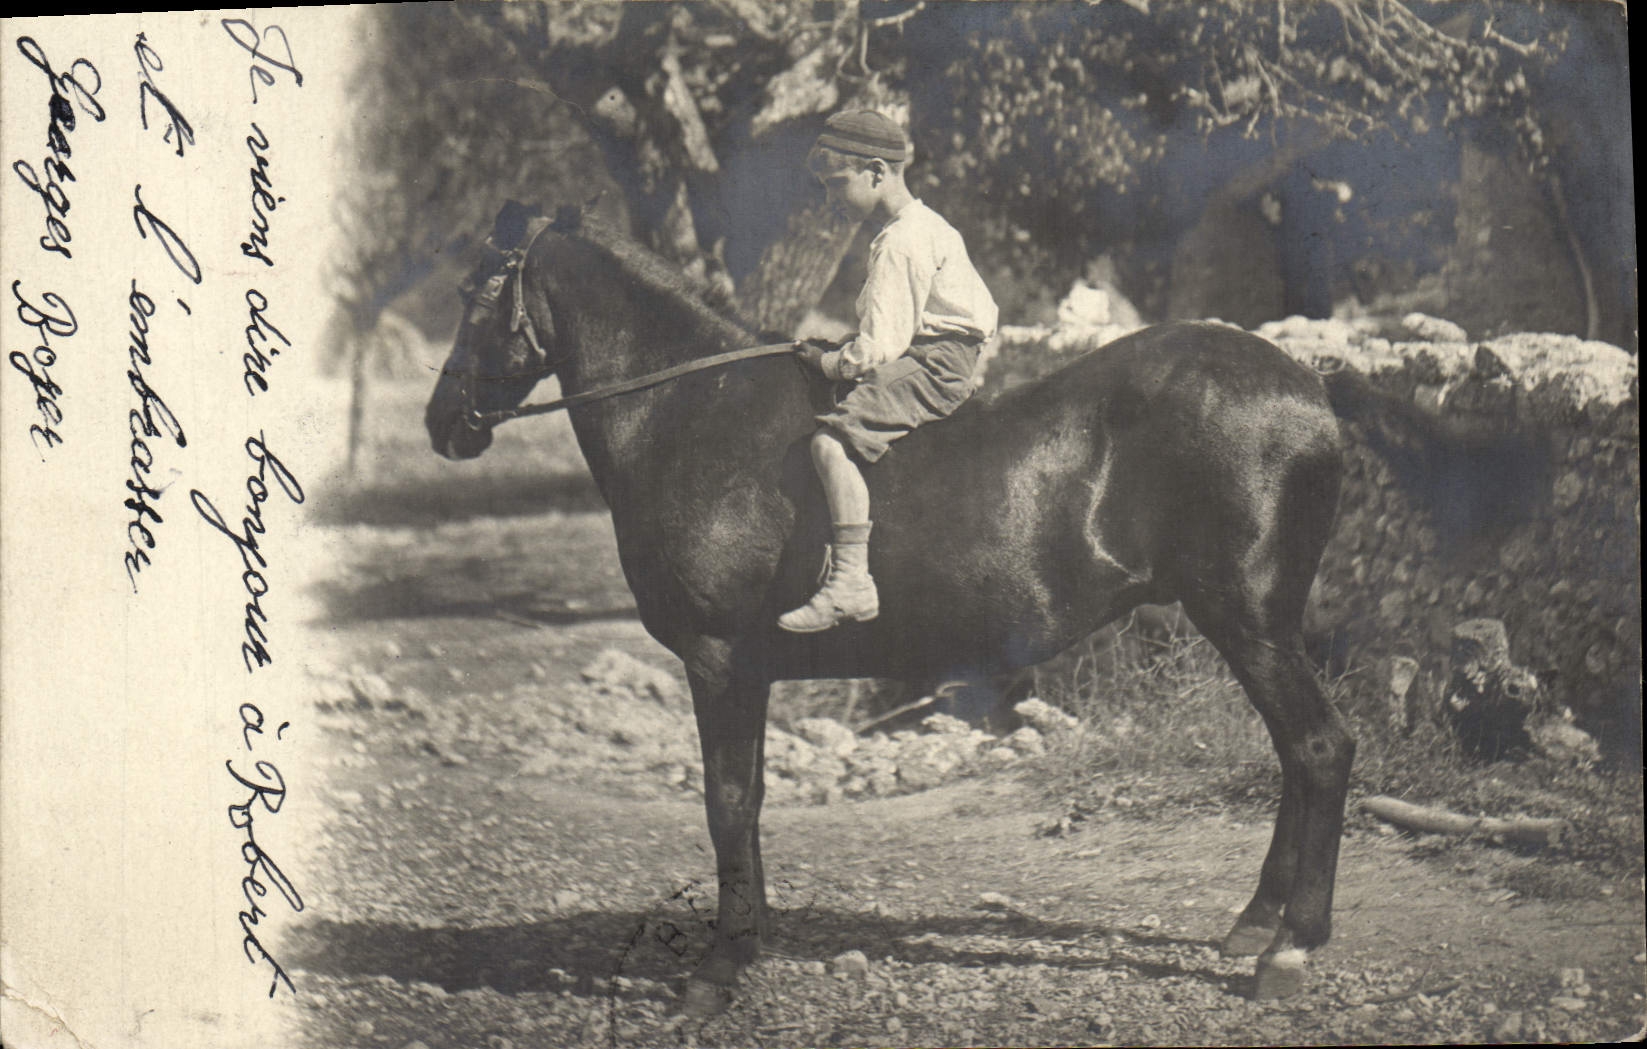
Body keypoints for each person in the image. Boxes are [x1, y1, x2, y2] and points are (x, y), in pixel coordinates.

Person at [781, 110, 999, 633]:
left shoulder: (901, 242)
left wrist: (830, 361)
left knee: (829, 445)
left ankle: (851, 582)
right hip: (937, 351)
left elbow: (880, 347)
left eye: (838, 184)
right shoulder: (925, 226)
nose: (832, 198)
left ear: (877, 172)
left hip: (932, 363)